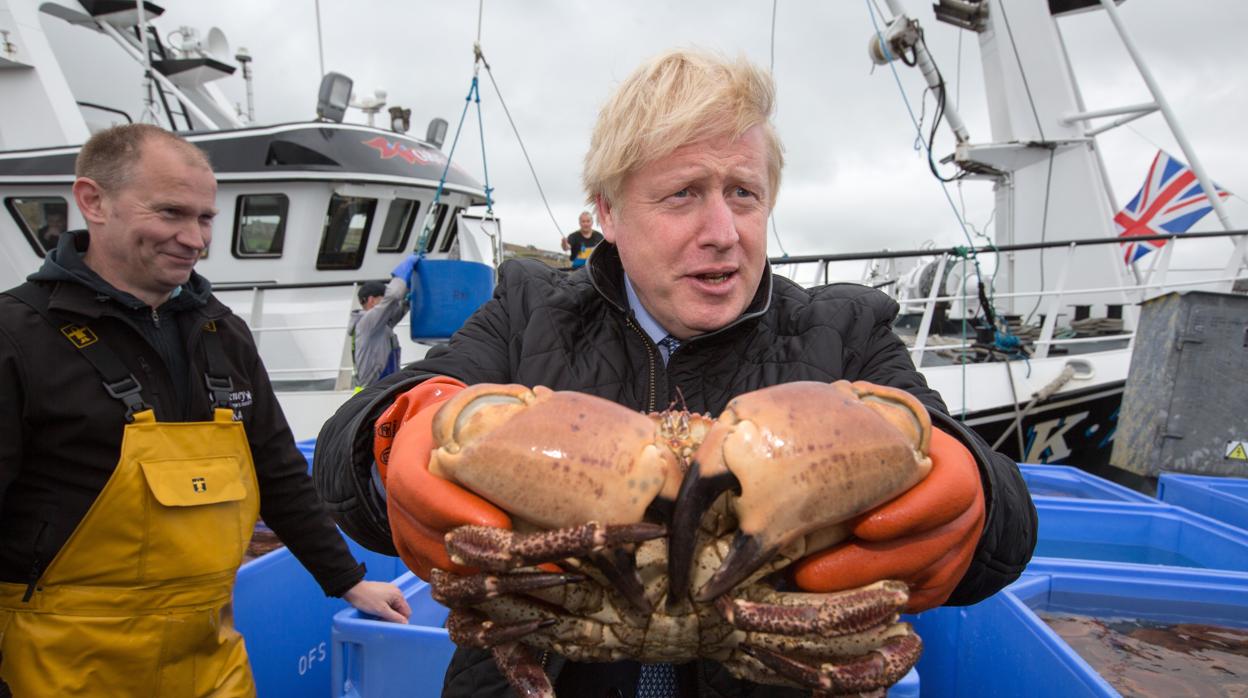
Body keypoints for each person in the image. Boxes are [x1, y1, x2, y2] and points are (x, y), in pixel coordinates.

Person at [314, 49, 1037, 697]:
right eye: (683, 194)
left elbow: (991, 507)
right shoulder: (528, 311)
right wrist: (392, 436)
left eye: (744, 194)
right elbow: (362, 450)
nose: (722, 231)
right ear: (608, 211)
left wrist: (969, 490)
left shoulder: (844, 330)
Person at [0, 124, 410, 697]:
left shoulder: (223, 333)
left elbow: (279, 472)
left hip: (209, 658)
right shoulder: (17, 335)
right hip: (61, 665)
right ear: (93, 201)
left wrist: (349, 581)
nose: (194, 239)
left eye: (206, 218)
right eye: (171, 213)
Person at [349, 252, 418, 389]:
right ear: (371, 300)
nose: (387, 305)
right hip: (372, 392)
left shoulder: (379, 326)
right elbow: (393, 295)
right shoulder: (366, 322)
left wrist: (408, 297)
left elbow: (397, 309)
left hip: (381, 389)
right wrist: (403, 271)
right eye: (383, 299)